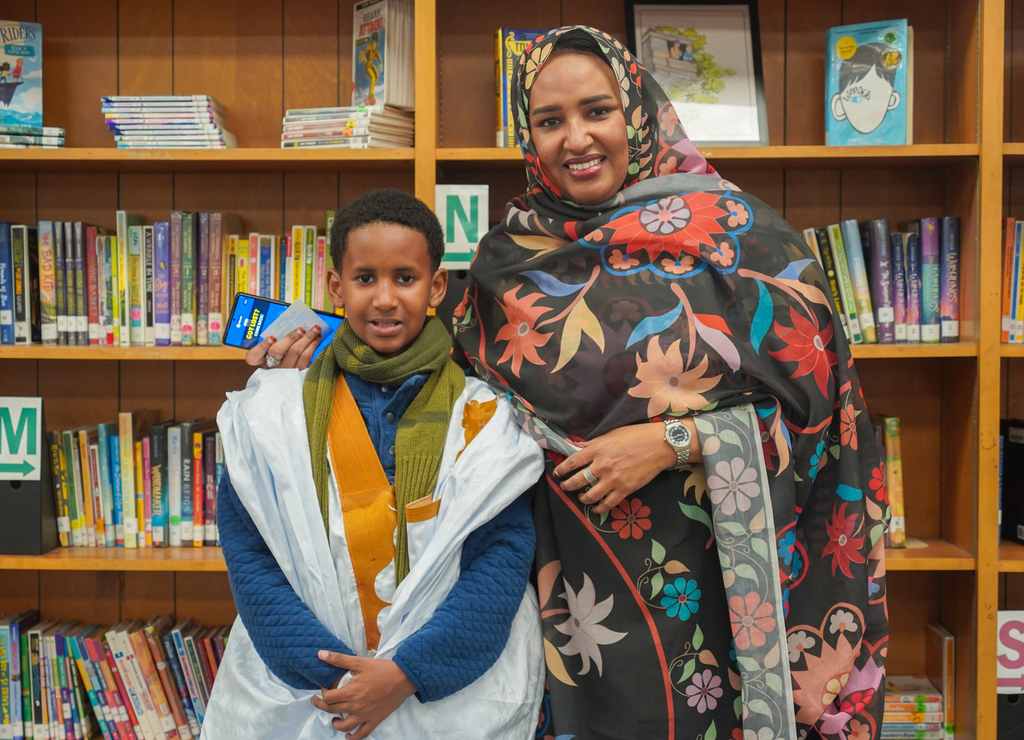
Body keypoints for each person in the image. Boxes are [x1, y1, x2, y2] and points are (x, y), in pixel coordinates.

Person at [251, 25, 889, 740]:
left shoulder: (748, 242)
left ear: (638, 112)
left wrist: (673, 439)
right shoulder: (505, 259)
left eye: (597, 111)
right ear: (529, 138)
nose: (576, 138)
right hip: (560, 593)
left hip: (711, 590)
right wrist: (318, 352)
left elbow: (821, 420)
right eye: (550, 121)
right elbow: (436, 370)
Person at [207, 188, 545, 740]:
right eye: (365, 279)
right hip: (308, 692)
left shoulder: (485, 416)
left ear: (436, 287)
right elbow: (250, 556)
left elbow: (500, 562)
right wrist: (342, 682)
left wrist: (404, 675)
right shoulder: (273, 410)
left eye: (405, 279)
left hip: (445, 691)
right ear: (336, 288)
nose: (385, 298)